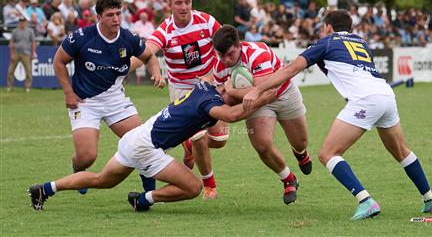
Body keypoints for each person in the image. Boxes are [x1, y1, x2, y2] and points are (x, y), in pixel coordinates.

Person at [243, 10, 432, 219]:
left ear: (328, 27)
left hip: (365, 100)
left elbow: (290, 69)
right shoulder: (361, 42)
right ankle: (430, 201)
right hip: (386, 95)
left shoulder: (327, 42)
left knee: (327, 154)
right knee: (402, 151)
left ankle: (366, 201)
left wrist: (256, 90)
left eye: (323, 27)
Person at [28, 82, 276, 211]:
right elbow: (232, 116)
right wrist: (263, 98)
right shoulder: (210, 103)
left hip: (136, 137)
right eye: (244, 95)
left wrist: (250, 94)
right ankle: (145, 199)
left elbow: (229, 108)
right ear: (228, 90)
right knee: (192, 187)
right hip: (147, 147)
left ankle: (45, 189)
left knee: (101, 180)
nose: (247, 97)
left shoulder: (204, 87)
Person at [52, 0, 165, 197]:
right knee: (87, 157)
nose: (116, 19)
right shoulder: (81, 37)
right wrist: (68, 92)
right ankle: (78, 170)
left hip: (115, 101)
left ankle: (149, 194)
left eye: (118, 14)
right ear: (99, 17)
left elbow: (149, 56)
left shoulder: (128, 38)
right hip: (85, 102)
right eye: (110, 15)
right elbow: (58, 61)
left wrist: (156, 72)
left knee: (143, 143)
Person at [133, 0, 229, 200]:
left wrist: (215, 75)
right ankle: (209, 185)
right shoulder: (166, 30)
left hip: (209, 85)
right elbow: (147, 51)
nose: (184, 7)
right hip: (182, 90)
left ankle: (188, 146)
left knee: (220, 141)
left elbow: (225, 45)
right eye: (178, 3)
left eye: (187, 2)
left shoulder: (206, 21)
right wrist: (125, 70)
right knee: (199, 137)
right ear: (169, 5)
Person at [212, 25, 311, 205]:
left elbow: (264, 90)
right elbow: (223, 96)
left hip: (284, 93)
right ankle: (288, 179)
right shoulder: (219, 66)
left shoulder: (258, 52)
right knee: (262, 145)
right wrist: (228, 93)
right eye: (221, 55)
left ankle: (300, 152)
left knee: (301, 141)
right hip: (258, 105)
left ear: (239, 45)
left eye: (230, 54)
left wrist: (231, 90)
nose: (225, 60)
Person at [7, 16, 36, 93]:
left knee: (28, 71)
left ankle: (27, 87)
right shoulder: (15, 31)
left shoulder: (30, 31)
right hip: (16, 53)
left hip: (26, 53)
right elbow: (11, 43)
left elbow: (33, 42)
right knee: (10, 70)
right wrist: (12, 54)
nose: (22, 23)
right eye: (21, 21)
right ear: (19, 22)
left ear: (25, 22)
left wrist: (33, 53)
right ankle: (9, 86)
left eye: (23, 21)